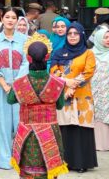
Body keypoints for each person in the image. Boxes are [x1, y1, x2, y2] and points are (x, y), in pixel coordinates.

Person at [8, 34, 69, 179]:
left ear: (28, 58)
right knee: (48, 168)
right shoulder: (58, 83)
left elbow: (10, 100)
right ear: (47, 57)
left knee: (28, 168)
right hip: (50, 131)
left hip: (27, 132)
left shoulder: (19, 83)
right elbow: (60, 106)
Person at [50, 22, 98, 173]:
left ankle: (81, 163)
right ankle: (64, 162)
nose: (72, 36)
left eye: (75, 33)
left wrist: (73, 85)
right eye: (69, 34)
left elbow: (88, 72)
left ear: (81, 35)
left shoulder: (88, 53)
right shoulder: (58, 52)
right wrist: (66, 81)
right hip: (64, 95)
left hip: (82, 97)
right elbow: (53, 69)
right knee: (65, 127)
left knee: (81, 128)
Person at [0, 7, 29, 170]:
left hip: (21, 88)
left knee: (20, 123)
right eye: (7, 17)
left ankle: (20, 157)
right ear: (2, 19)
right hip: (0, 87)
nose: (10, 20)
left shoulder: (25, 40)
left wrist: (17, 84)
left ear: (18, 20)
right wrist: (5, 85)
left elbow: (26, 63)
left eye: (14, 17)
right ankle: (5, 160)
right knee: (3, 124)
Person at [92, 28, 109, 151]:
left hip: (107, 91)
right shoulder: (89, 54)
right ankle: (98, 144)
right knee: (97, 115)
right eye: (105, 37)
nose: (108, 40)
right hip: (94, 91)